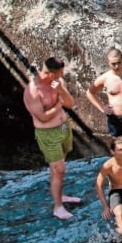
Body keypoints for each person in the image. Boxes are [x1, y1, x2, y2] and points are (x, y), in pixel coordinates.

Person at [23, 56, 80, 220]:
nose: (62, 75)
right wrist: (59, 105)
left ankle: (60, 196)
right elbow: (43, 117)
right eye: (60, 73)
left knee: (59, 168)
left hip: (63, 128)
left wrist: (61, 92)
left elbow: (70, 103)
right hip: (48, 133)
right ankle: (58, 207)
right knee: (59, 169)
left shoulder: (57, 83)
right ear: (51, 73)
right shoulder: (33, 90)